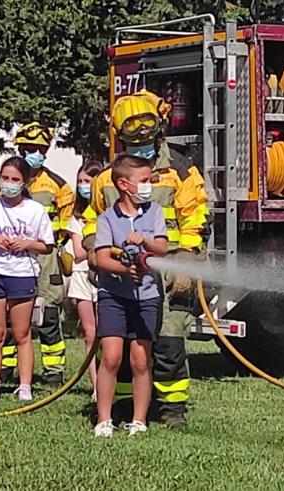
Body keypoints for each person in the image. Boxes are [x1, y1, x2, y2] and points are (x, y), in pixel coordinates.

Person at [83, 89, 210, 428]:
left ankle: (171, 410)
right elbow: (92, 221)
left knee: (169, 344)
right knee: (121, 350)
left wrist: (185, 260)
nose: (140, 136)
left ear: (159, 126)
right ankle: (124, 408)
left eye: (146, 128)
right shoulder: (106, 180)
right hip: (121, 279)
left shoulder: (181, 172)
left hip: (168, 278)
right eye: (132, 130)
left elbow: (195, 219)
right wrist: (98, 254)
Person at [92, 154, 169, 437]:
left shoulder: (155, 213)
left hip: (147, 297)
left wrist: (145, 240)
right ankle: (103, 420)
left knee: (140, 360)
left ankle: (139, 420)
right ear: (124, 185)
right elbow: (101, 259)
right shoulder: (107, 219)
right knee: (111, 357)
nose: (150, 186)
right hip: (113, 296)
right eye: (145, 181)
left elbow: (162, 249)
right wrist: (124, 271)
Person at [0, 157, 55, 403]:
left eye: (15, 180)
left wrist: (27, 244)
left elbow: (47, 245)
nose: (8, 184)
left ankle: (25, 385)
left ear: (25, 182)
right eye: (5, 178)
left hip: (22, 273)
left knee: (22, 333)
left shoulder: (35, 210)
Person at [0, 122, 75, 388]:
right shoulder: (9, 182)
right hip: (14, 257)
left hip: (46, 257)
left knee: (49, 315)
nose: (36, 153)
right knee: (12, 315)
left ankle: (54, 371)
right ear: (20, 149)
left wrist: (58, 245)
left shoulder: (58, 185)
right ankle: (6, 368)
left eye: (40, 149)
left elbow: (66, 224)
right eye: (30, 148)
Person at [65, 160, 105, 399]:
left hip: (102, 276)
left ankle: (111, 382)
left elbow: (82, 250)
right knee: (90, 334)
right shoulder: (76, 218)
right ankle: (96, 386)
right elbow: (79, 252)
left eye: (88, 182)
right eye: (80, 181)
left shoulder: (106, 212)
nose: (83, 186)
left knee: (106, 332)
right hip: (81, 276)